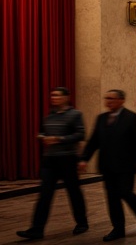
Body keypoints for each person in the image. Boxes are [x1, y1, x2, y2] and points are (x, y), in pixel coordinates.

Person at [78, 89, 136, 241]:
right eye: (107, 98)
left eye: (112, 99)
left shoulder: (132, 118)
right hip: (107, 165)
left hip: (126, 165)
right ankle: (118, 229)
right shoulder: (101, 118)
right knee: (112, 197)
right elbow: (94, 141)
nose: (108, 101)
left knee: (125, 192)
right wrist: (84, 159)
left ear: (121, 101)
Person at [18, 87, 89, 240]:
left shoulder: (75, 114)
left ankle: (82, 223)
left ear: (66, 98)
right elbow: (42, 132)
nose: (53, 98)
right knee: (45, 194)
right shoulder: (49, 116)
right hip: (49, 160)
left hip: (68, 159)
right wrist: (41, 137)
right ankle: (37, 229)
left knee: (74, 192)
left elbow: (80, 134)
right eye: (52, 95)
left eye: (57, 95)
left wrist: (59, 139)